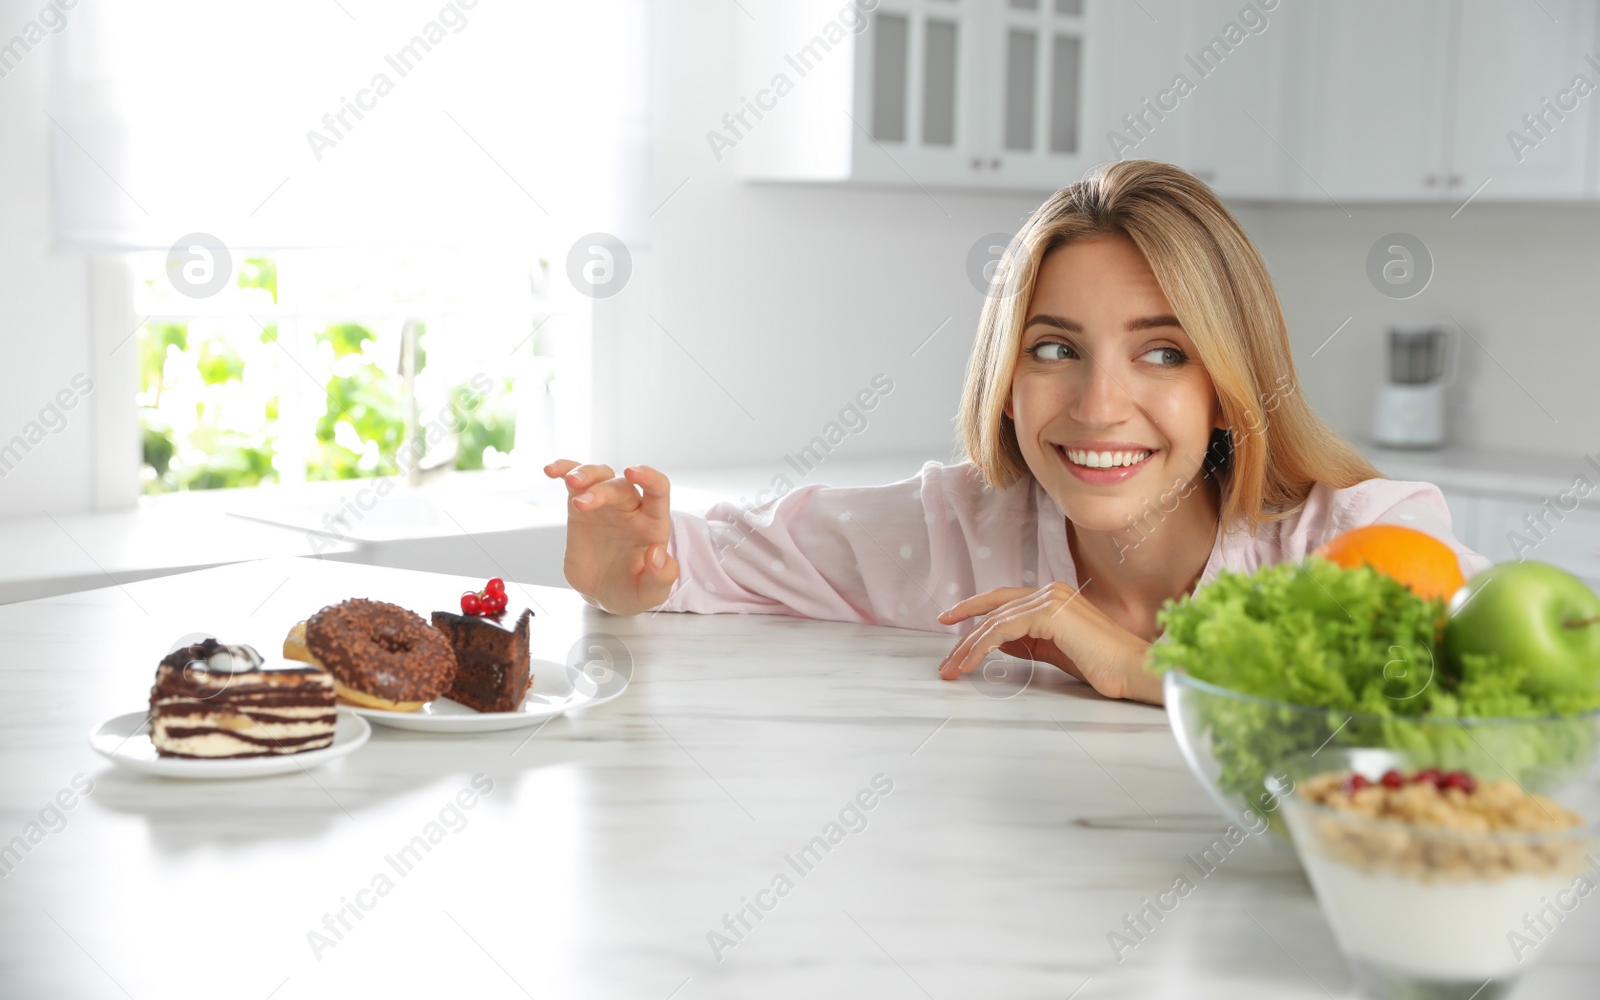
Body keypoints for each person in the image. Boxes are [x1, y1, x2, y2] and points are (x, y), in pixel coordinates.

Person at [544, 160, 1489, 705]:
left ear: (1230, 386)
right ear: (1004, 382)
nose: (1097, 404)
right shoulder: (956, 528)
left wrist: (1143, 668)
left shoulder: (1346, 538)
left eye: (1162, 354)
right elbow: (706, 560)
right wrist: (630, 564)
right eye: (1053, 349)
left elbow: (1476, 697)